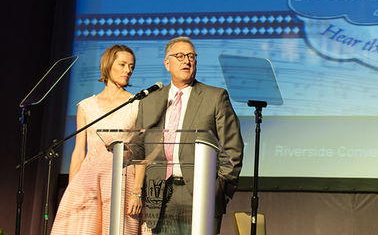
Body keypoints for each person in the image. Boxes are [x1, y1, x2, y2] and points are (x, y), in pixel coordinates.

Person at [135, 36, 243, 234]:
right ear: (167, 63)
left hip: (201, 192)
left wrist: (219, 189)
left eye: (191, 56)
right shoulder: (149, 101)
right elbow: (140, 147)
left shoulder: (215, 97)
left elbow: (233, 149)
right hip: (159, 194)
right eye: (180, 56)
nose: (187, 60)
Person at [51, 44, 144, 235]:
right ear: (108, 65)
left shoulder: (137, 104)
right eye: (123, 64)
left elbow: (143, 152)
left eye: (132, 66)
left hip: (121, 180)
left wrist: (137, 191)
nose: (128, 70)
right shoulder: (86, 106)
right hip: (89, 180)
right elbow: (79, 151)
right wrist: (72, 189)